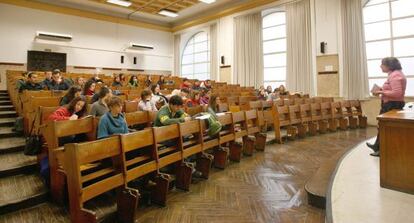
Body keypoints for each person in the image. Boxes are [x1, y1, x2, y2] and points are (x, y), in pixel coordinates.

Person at [367, 57, 407, 157]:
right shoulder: (394, 74)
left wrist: (381, 92)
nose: (380, 66)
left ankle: (382, 150)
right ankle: (377, 146)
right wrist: (382, 89)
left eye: (382, 64)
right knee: (382, 126)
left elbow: (397, 93)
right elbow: (392, 89)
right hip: (391, 103)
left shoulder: (395, 75)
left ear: (389, 66)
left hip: (392, 104)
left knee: (385, 128)